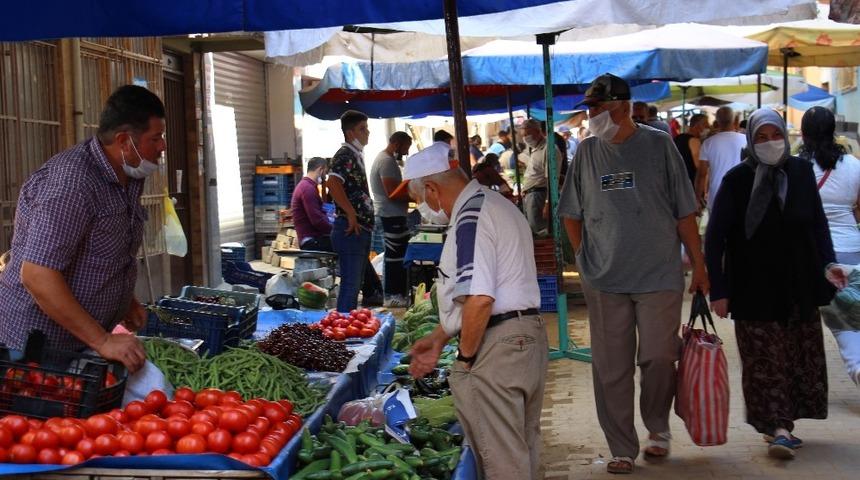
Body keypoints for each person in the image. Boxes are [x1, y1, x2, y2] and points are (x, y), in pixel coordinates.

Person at [559, 73, 708, 474]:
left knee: (660, 357)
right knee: (611, 367)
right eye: (589, 109)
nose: (592, 116)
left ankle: (657, 427)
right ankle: (621, 446)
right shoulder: (586, 152)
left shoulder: (658, 144)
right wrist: (583, 255)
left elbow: (684, 211)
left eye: (599, 108)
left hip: (658, 272)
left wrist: (699, 264)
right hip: (605, 277)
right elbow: (570, 213)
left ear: (624, 105)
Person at [705, 108, 848, 459]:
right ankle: (778, 428)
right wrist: (719, 290)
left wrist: (829, 265)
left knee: (797, 357)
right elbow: (716, 237)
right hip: (753, 287)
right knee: (764, 359)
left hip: (799, 282)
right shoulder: (738, 179)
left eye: (775, 135)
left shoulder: (799, 172)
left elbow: (817, 224)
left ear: (786, 136)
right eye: (761, 137)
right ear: (751, 141)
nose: (770, 143)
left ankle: (785, 423)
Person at [0, 85, 166, 373]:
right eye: (156, 138)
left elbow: (100, 248)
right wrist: (102, 340)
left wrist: (125, 300)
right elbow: (38, 275)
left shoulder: (128, 172)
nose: (162, 146)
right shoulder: (72, 184)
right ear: (124, 140)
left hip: (78, 341)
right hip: (36, 347)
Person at [405, 143, 546, 480]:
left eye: (419, 200)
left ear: (431, 189)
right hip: (526, 336)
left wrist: (466, 360)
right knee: (521, 449)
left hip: (498, 347)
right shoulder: (496, 204)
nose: (422, 208)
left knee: (501, 462)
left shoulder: (471, 216)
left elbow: (481, 298)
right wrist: (440, 337)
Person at [800, 106, 860, 386]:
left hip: (813, 252)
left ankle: (856, 365)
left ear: (803, 132)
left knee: (838, 319)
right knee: (852, 311)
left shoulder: (796, 166)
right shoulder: (854, 164)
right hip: (851, 246)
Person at [326, 110, 384, 311]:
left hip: (359, 228)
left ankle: (346, 325)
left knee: (354, 284)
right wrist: (351, 213)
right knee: (350, 285)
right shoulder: (345, 155)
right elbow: (332, 183)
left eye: (366, 128)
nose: (367, 133)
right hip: (350, 229)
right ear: (350, 133)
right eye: (362, 129)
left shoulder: (355, 155)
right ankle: (341, 330)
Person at [370, 131, 413, 308]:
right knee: (394, 258)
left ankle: (393, 294)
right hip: (390, 216)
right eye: (405, 148)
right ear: (397, 144)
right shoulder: (386, 162)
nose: (406, 152)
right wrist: (414, 196)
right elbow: (392, 193)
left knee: (394, 256)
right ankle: (393, 295)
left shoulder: (387, 160)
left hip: (391, 214)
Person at [696, 106, 747, 211]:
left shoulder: (708, 143)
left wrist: (697, 198)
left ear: (717, 121)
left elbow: (702, 174)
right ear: (734, 120)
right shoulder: (746, 140)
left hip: (716, 194)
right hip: (742, 192)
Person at [520, 118, 563, 236]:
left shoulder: (549, 149)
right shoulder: (535, 149)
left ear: (538, 131)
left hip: (539, 195)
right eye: (523, 135)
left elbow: (552, 180)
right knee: (533, 229)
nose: (525, 138)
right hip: (531, 195)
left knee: (540, 231)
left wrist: (548, 203)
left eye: (528, 134)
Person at [292, 157, 333, 250]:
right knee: (348, 243)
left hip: (312, 238)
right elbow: (317, 220)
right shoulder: (307, 189)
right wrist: (335, 230)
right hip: (311, 241)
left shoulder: (307, 186)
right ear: (320, 169)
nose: (325, 177)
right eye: (325, 173)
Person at [673, 113, 709, 187]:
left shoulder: (678, 138)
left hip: (677, 181)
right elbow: (699, 167)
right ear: (698, 126)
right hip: (689, 183)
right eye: (706, 125)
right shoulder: (694, 141)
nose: (708, 128)